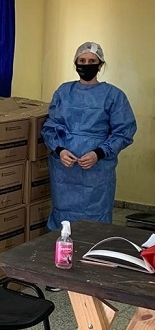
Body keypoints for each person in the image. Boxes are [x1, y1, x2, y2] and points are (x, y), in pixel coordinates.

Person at [41, 41, 136, 292]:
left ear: (100, 65)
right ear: (75, 63)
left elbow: (124, 132)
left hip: (97, 171)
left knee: (96, 218)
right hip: (65, 170)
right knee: (63, 216)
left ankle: (93, 270)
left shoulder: (114, 96)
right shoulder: (64, 92)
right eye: (81, 61)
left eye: (91, 62)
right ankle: (61, 270)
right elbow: (50, 127)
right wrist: (60, 150)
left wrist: (98, 152)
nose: (86, 65)